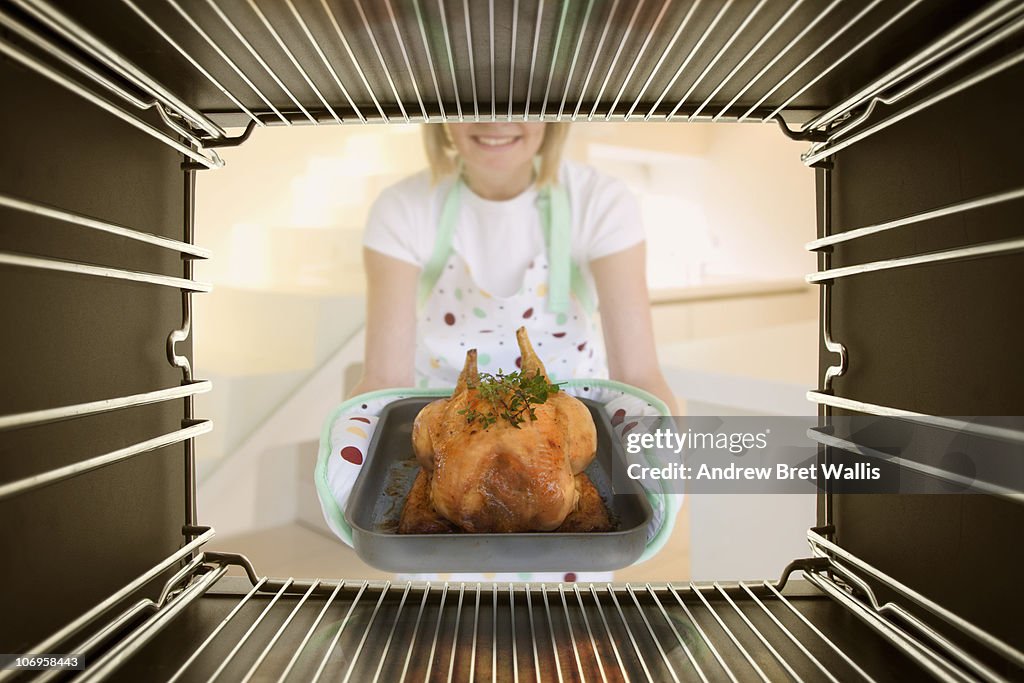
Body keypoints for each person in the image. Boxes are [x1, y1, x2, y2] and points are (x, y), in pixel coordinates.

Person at [351, 121, 676, 412]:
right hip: (443, 419)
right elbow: (384, 382)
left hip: (573, 416)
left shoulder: (601, 200)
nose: (495, 120)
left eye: (518, 97)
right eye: (472, 95)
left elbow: (639, 377)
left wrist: (663, 466)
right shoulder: (402, 206)